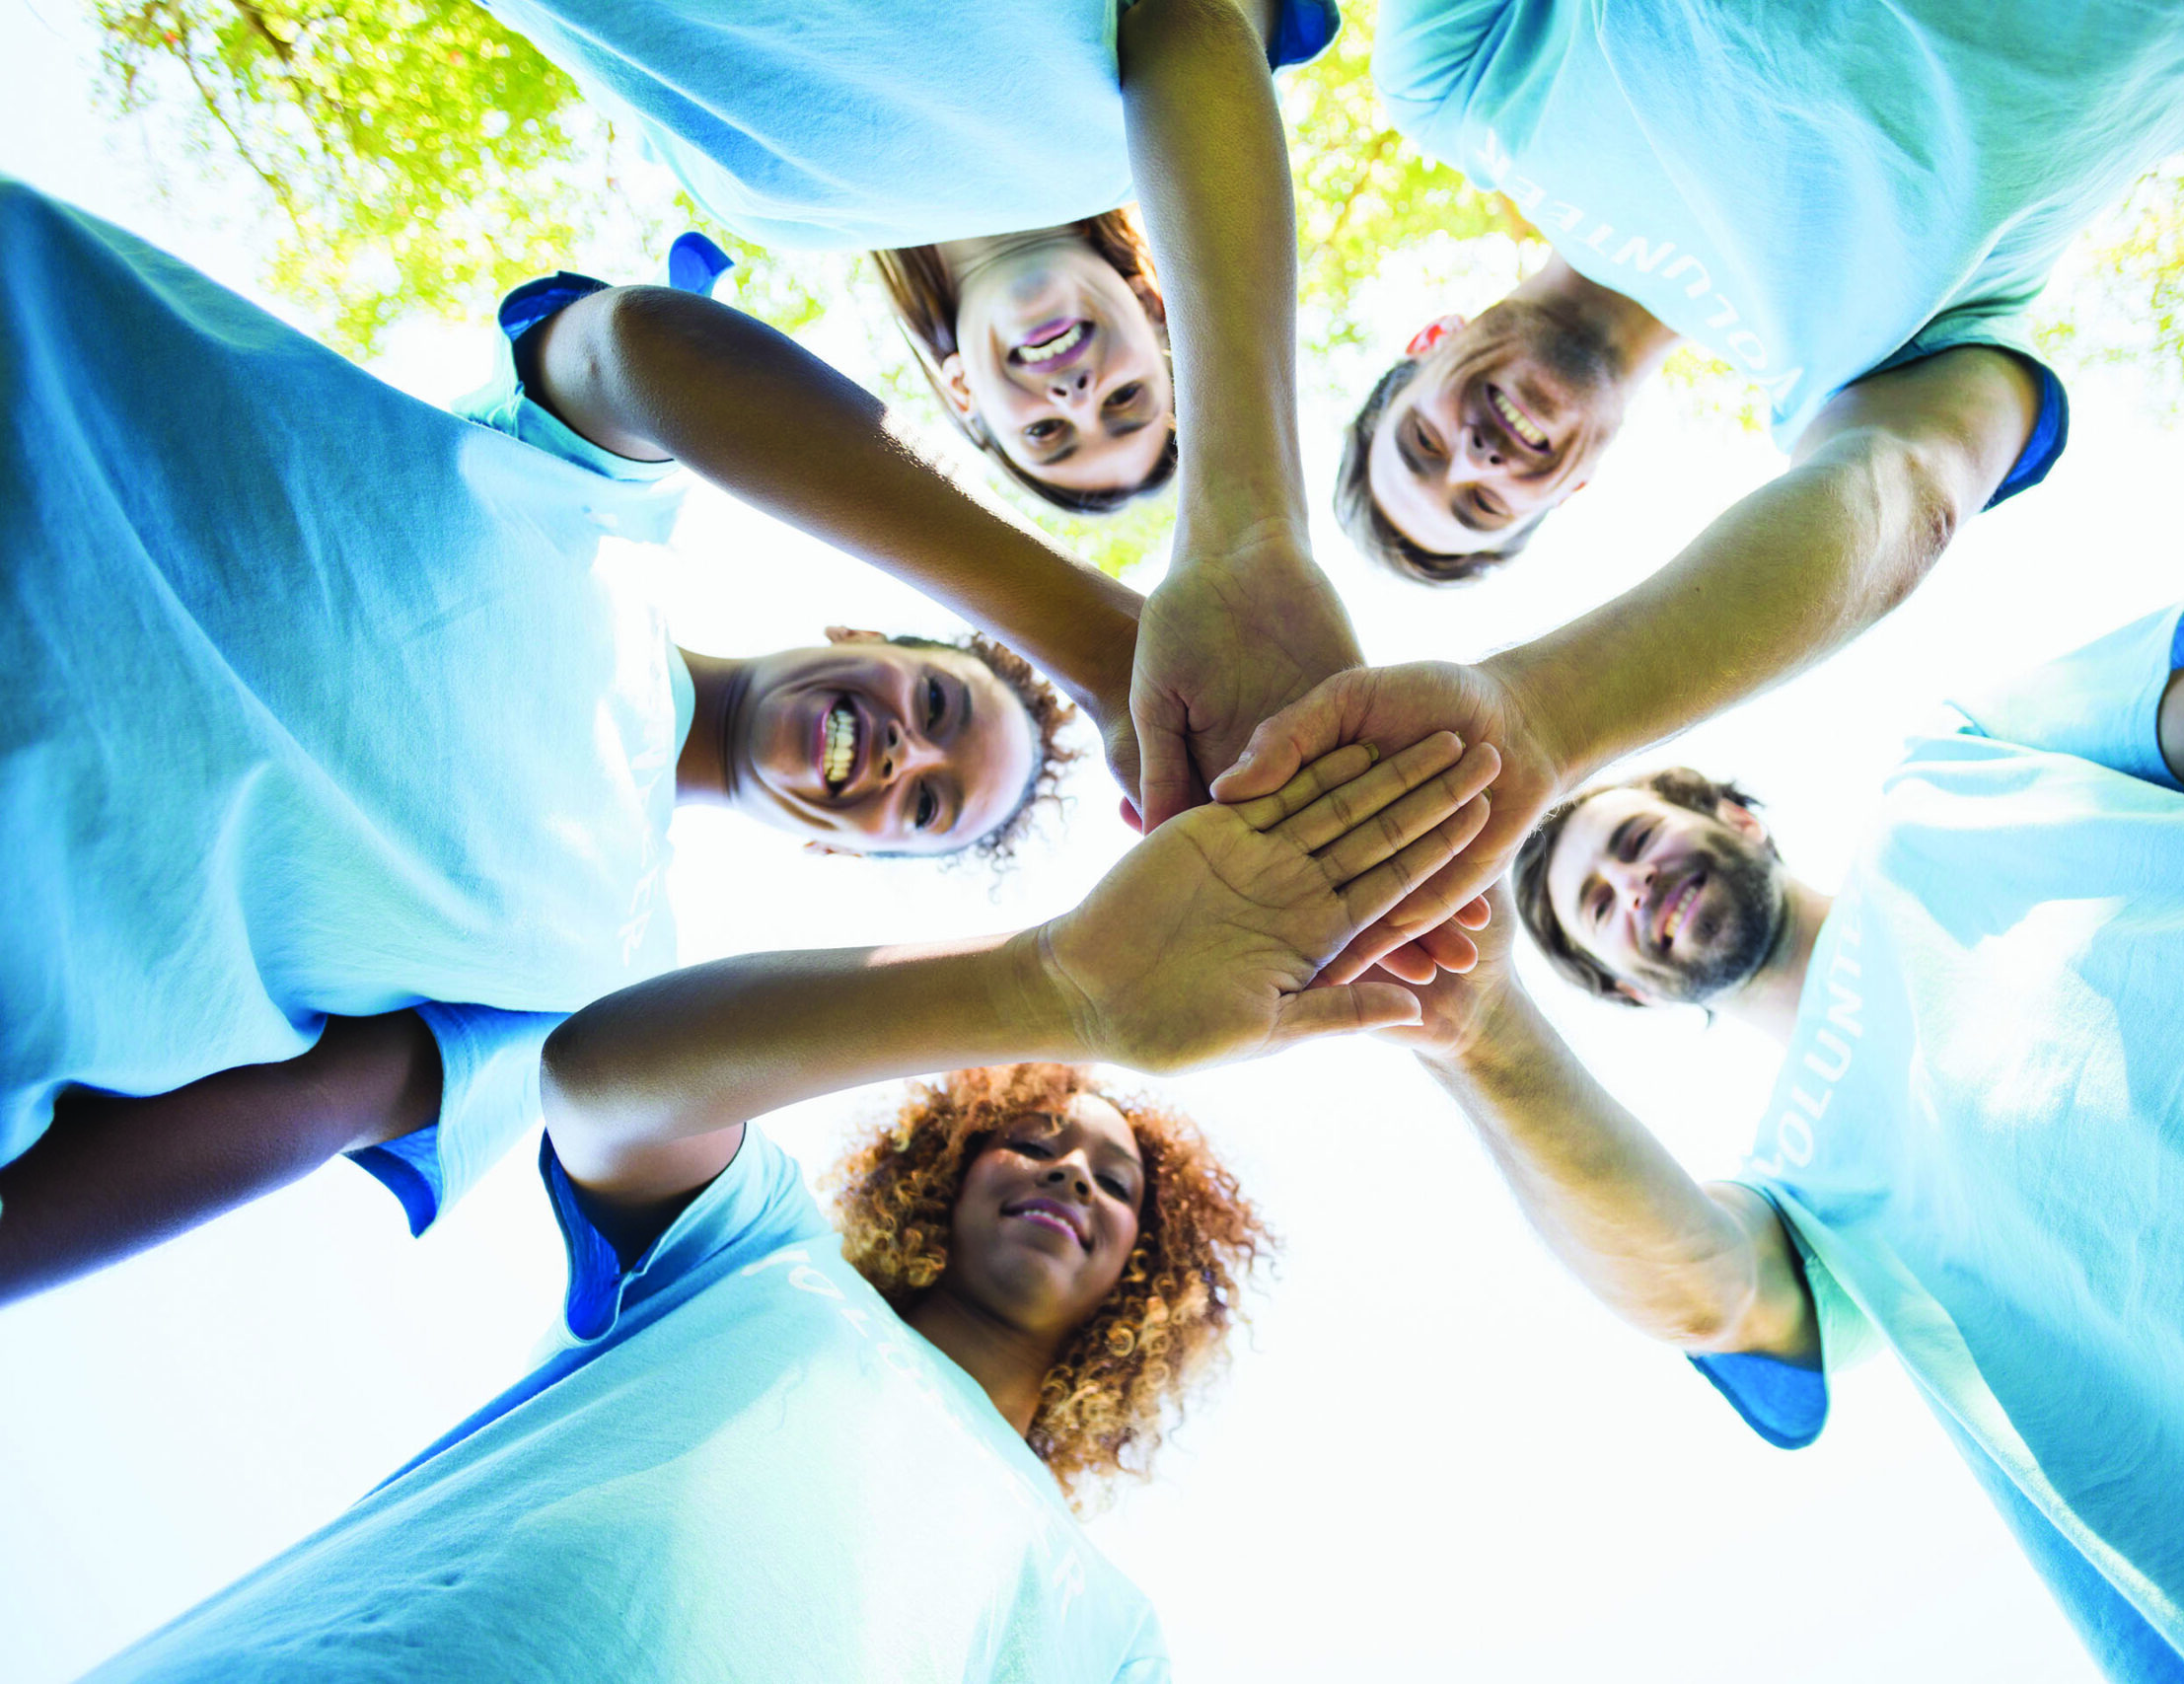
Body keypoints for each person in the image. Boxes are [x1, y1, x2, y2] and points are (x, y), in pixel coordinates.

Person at [79, 726, 1500, 1681]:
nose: (1072, 1169)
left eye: (1117, 1178)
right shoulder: (758, 1259)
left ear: (1149, 1273)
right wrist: (1052, 981)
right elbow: (603, 1072)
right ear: (946, 1172)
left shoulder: (1095, 1626)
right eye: (1035, 1138)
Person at [1388, 526, 2184, 1682]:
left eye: (1630, 840)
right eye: (1599, 904)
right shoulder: (1801, 1198)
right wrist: (1477, 1025)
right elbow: (1707, 1296)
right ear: (1631, 986)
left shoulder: (1956, 769)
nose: (1631, 883)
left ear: (1735, 816)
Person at [0, 185, 1176, 1300]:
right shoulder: (599, 499)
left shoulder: (601, 990)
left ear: (851, 857)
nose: (901, 756)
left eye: (926, 808)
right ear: (864, 630)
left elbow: (303, 1113)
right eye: (937, 705)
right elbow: (638, 352)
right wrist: (1104, 650)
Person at [472, 0, 1375, 832]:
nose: (1074, 397)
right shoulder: (1169, 105)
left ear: (962, 395)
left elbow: (638, 354)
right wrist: (1248, 526)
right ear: (1157, 305)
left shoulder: (762, 197)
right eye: (1130, 400)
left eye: (1048, 436)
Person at [1342, 0, 2184, 580]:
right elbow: (1906, 494)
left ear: (1428, 340)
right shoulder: (1843, 391)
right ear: (1579, 485)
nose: (1475, 460)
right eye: (1484, 506)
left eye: (1421, 444)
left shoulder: (1460, 89)